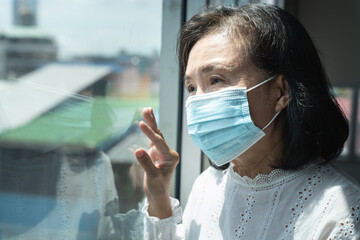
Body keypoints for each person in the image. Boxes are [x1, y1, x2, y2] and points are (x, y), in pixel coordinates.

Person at [134, 3, 360, 239]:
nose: (198, 101)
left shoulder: (341, 212)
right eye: (191, 87)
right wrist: (159, 198)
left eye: (216, 80)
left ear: (280, 92)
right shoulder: (208, 186)